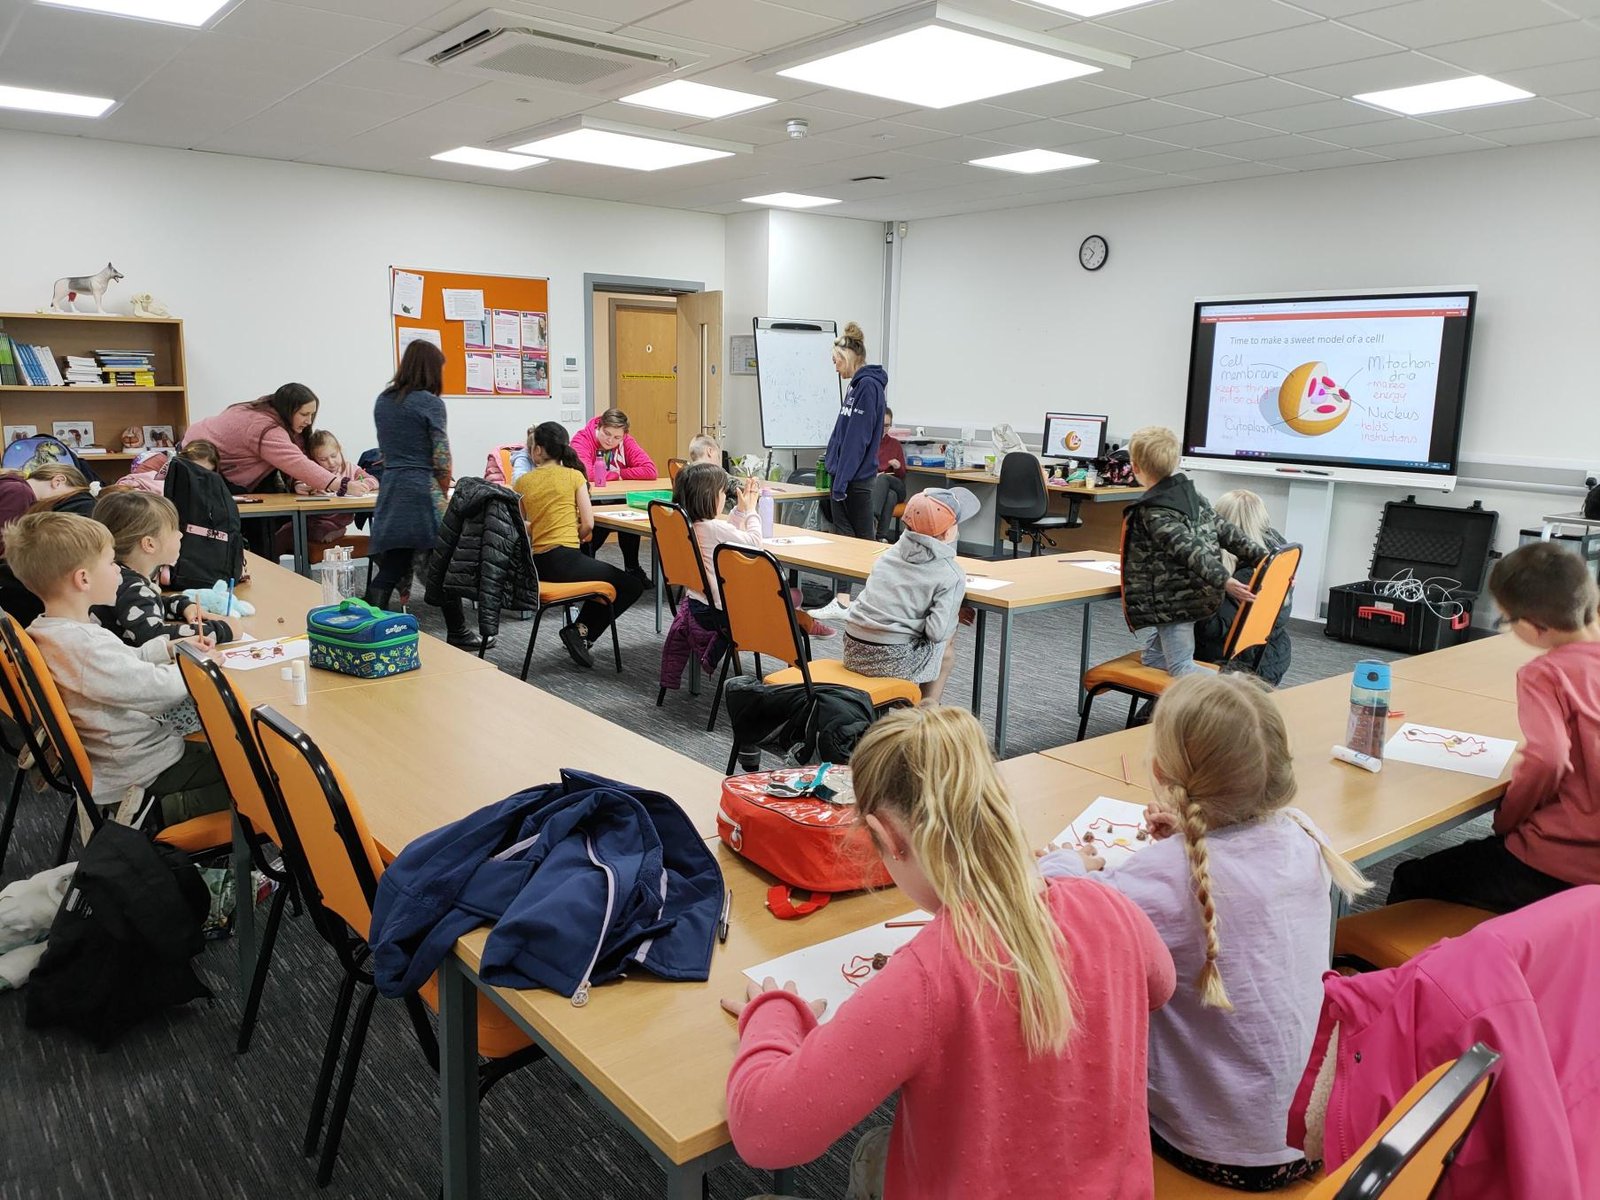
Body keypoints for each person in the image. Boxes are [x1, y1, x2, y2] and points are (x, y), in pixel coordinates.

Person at [723, 706, 1175, 1200]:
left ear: (889, 837)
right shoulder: (1111, 906)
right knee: (876, 1146)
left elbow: (764, 1133)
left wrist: (771, 1016)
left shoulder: (928, 976)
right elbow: (1161, 985)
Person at [1040, 672, 1370, 1190]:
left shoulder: (1168, 879)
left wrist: (1067, 862)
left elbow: (1057, 911)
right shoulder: (1304, 833)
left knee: (1061, 1040)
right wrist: (1190, 830)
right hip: (1318, 1126)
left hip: (1218, 1148)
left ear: (1160, 771)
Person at [1387, 542, 1600, 912]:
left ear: (1534, 627)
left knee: (1411, 877)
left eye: (1505, 620)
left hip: (1564, 865)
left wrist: (1506, 821)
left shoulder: (1545, 674)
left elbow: (1548, 759)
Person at [6, 512, 229, 825]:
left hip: (128, 764)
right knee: (259, 780)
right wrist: (203, 665)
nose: (119, 573)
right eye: (112, 564)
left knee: (238, 759)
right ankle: (159, 818)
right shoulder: (82, 646)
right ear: (83, 579)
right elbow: (156, 692)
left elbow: (124, 663)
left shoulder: (55, 631)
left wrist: (167, 648)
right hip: (144, 776)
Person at [364, 341, 482, 650]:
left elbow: (386, 450)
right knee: (442, 563)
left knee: (393, 562)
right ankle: (459, 632)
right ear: (431, 369)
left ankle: (368, 628)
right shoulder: (430, 403)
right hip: (422, 491)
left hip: (391, 489)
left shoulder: (383, 401)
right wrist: (441, 493)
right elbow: (441, 457)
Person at [1121, 426, 1266, 679]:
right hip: (1197, 595)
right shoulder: (1191, 495)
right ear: (1176, 461)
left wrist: (1227, 580)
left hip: (1177, 603)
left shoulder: (1154, 511)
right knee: (1153, 658)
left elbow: (1190, 550)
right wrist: (1263, 559)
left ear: (1134, 467)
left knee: (1181, 668)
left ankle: (1239, 688)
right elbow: (1225, 530)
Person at [514, 421, 642, 669]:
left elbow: (523, 526)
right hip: (566, 561)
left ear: (537, 450)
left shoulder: (523, 483)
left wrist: (544, 526)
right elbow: (589, 524)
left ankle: (578, 631)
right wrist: (579, 533)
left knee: (604, 584)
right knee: (631, 585)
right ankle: (580, 632)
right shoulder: (574, 476)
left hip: (538, 564)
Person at [673, 461, 833, 640]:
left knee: (785, 598)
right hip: (726, 606)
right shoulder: (712, 528)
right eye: (722, 493)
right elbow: (755, 543)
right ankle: (803, 621)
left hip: (704, 600)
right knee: (787, 599)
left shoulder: (692, 526)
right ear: (708, 496)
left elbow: (726, 536)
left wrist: (740, 510)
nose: (726, 497)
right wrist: (750, 511)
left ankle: (794, 612)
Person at [842, 487, 974, 704]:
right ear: (949, 532)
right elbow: (937, 633)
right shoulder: (951, 574)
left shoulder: (887, 556)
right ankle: (925, 714)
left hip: (853, 650)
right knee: (947, 648)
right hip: (891, 660)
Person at [90, 489, 234, 651]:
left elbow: (147, 605)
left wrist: (183, 606)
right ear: (150, 544)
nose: (180, 534)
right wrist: (221, 630)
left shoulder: (123, 579)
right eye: (173, 529)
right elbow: (153, 637)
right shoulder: (132, 588)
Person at [182, 383, 356, 497]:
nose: (309, 421)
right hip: (200, 460)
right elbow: (295, 461)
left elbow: (295, 453)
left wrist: (298, 482)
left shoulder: (268, 409)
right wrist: (343, 486)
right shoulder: (264, 428)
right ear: (288, 410)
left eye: (312, 414)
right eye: (304, 414)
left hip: (215, 462)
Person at [1193, 489, 1291, 684]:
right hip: (1271, 654)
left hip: (1232, 664)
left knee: (1168, 640)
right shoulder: (1279, 556)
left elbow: (1213, 629)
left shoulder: (1244, 572)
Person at [570, 408, 657, 588]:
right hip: (587, 498)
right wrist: (615, 474)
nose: (610, 441)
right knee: (599, 525)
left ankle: (632, 568)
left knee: (628, 514)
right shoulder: (582, 439)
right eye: (606, 434)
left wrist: (620, 472)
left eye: (617, 437)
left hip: (615, 498)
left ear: (624, 435)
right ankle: (584, 569)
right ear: (599, 427)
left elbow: (650, 470)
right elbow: (586, 474)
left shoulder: (626, 441)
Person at [821, 321, 887, 542]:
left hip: (854, 482)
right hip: (844, 478)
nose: (835, 367)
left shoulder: (868, 387)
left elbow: (856, 440)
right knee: (844, 543)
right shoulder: (856, 386)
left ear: (846, 357)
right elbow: (842, 432)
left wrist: (840, 483)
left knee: (862, 545)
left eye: (836, 361)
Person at [295, 429, 379, 548]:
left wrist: (362, 485)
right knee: (293, 531)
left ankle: (339, 531)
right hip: (315, 517)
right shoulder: (315, 471)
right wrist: (304, 487)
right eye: (323, 460)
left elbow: (374, 481)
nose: (331, 462)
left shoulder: (350, 468)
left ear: (340, 449)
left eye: (334, 456)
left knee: (317, 533)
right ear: (314, 460)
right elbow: (300, 482)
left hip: (338, 519)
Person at [0, 464, 90, 553]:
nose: (61, 503)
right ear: (58, 481)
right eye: (67, 497)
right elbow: (4, 543)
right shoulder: (20, 492)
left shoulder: (12, 486)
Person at [870, 407, 907, 542]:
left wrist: (898, 467)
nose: (884, 429)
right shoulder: (869, 442)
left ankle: (872, 519)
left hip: (897, 484)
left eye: (887, 425)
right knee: (890, 496)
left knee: (885, 478)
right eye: (881, 425)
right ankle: (881, 537)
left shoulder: (895, 444)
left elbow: (902, 474)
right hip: (880, 487)